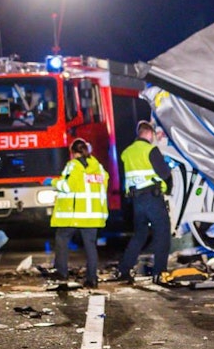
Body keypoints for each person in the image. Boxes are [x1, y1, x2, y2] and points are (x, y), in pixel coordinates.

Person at [47, 138, 109, 288]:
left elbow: (68, 186)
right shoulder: (99, 168)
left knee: (62, 238)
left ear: (73, 153)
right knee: (90, 246)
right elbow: (104, 185)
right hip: (93, 215)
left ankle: (62, 272)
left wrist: (52, 182)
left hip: (76, 215)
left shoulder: (73, 165)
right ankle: (92, 279)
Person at [117, 121, 172, 284]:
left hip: (136, 200)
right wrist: (168, 189)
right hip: (153, 198)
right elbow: (165, 173)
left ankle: (124, 269)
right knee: (162, 234)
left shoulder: (126, 152)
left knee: (139, 235)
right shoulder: (150, 150)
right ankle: (159, 273)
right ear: (149, 134)